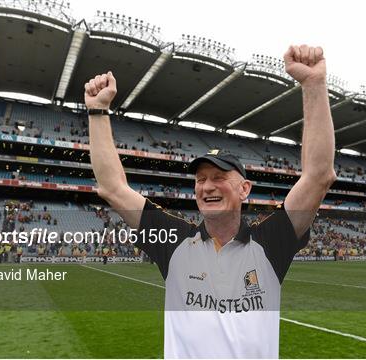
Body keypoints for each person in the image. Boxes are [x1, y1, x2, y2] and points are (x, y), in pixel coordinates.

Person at [86, 44, 336, 358]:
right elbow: (112, 187)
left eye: (219, 177)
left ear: (245, 189)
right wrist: (97, 111)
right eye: (200, 179)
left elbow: (319, 176)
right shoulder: (174, 241)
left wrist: (313, 85)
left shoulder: (272, 242)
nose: (207, 186)